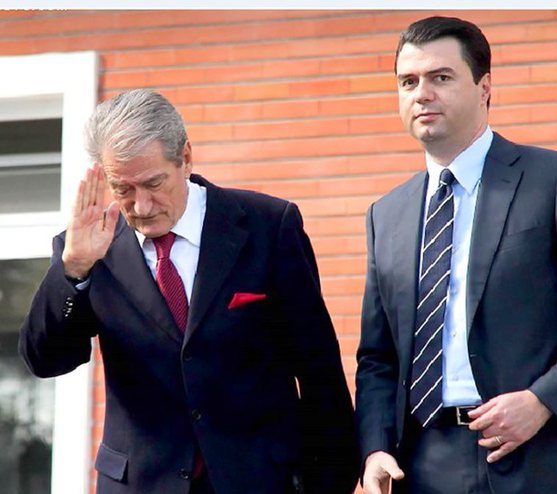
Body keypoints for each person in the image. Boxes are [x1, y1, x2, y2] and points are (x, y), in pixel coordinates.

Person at [19, 89, 358, 494]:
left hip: (260, 480)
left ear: (186, 157)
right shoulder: (87, 248)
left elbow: (319, 372)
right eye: (122, 189)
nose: (141, 206)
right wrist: (73, 269)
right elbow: (45, 360)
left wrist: (329, 484)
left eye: (153, 183)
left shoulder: (269, 226)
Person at [355, 15, 557, 494]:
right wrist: (375, 447)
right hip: (424, 467)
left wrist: (543, 400)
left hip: (545, 456)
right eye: (408, 82)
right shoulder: (386, 215)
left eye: (440, 77)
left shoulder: (555, 180)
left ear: (484, 87)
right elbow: (378, 357)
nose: (422, 94)